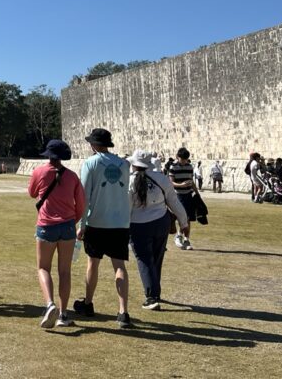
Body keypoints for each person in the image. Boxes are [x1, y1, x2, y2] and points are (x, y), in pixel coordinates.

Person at [73, 128, 133, 329]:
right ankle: (123, 311)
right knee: (119, 266)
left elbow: (84, 197)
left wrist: (81, 224)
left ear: (93, 144)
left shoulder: (91, 163)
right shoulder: (124, 164)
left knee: (93, 263)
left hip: (97, 221)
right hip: (119, 222)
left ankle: (88, 303)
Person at [28, 139, 84, 329]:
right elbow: (81, 205)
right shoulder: (73, 176)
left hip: (46, 225)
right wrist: (72, 221)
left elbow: (31, 192)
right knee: (65, 271)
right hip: (67, 225)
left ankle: (50, 303)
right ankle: (63, 313)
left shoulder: (39, 172)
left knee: (43, 267)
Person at [128, 149, 189, 310]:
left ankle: (151, 296)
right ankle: (155, 291)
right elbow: (174, 202)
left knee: (144, 259)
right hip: (161, 222)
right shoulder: (161, 179)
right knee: (156, 258)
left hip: (138, 225)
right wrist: (184, 222)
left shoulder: (129, 181)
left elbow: (126, 207)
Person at [167, 148, 197, 250]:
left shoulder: (189, 167)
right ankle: (179, 235)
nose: (184, 161)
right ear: (177, 157)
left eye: (186, 159)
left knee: (187, 218)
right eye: (182, 159)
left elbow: (191, 181)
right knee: (181, 216)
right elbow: (171, 182)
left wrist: (197, 193)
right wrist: (181, 185)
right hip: (177, 195)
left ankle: (186, 239)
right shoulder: (173, 167)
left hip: (188, 195)